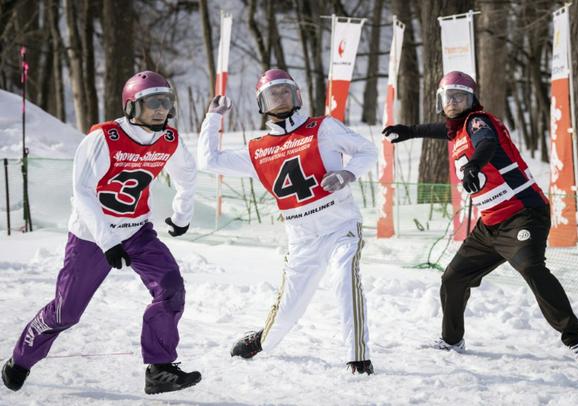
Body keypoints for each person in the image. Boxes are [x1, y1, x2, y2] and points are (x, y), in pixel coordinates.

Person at [2, 71, 202, 394]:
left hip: (137, 231)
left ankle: (160, 368)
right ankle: (21, 358)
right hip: (92, 236)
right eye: (152, 103)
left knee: (171, 288)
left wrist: (182, 214)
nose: (160, 110)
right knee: (66, 312)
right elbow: (82, 193)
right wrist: (108, 241)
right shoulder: (103, 139)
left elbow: (187, 173)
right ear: (131, 106)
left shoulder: (168, 139)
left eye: (165, 103)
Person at [382, 70, 578, 369]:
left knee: (531, 267)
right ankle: (452, 340)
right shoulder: (457, 131)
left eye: (461, 97)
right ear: (440, 101)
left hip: (522, 214)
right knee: (454, 278)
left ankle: (576, 340)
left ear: (472, 100)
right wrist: (410, 131)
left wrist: (474, 164)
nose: (454, 103)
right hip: (490, 225)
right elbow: (440, 129)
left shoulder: (477, 121)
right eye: (449, 97)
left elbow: (486, 143)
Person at [198, 69, 377, 375]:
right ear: (262, 104)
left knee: (345, 281)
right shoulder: (257, 150)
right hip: (302, 239)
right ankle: (263, 340)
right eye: (272, 94)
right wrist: (212, 118)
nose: (280, 98)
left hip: (341, 226)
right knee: (288, 311)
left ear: (297, 96)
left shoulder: (323, 128)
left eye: (285, 91)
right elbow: (209, 161)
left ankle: (358, 357)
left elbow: (367, 150)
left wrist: (348, 173)